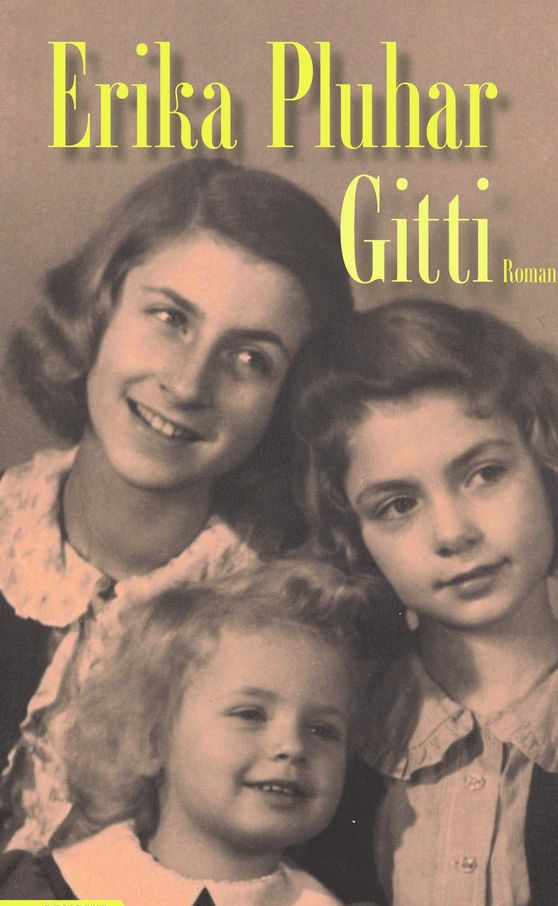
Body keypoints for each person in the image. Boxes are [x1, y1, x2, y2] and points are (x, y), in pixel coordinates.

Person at [0, 157, 353, 853]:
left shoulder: (297, 622)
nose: (188, 384)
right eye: (169, 318)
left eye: (250, 359)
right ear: (97, 311)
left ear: (288, 402)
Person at [293, 299, 558, 906]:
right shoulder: (330, 725)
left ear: (550, 469)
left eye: (484, 473)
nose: (454, 532)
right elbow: (195, 899)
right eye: (398, 505)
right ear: (356, 539)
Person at [0, 559, 408, 906]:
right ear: (151, 739)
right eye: (250, 714)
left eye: (323, 730)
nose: (292, 746)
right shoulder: (78, 903)